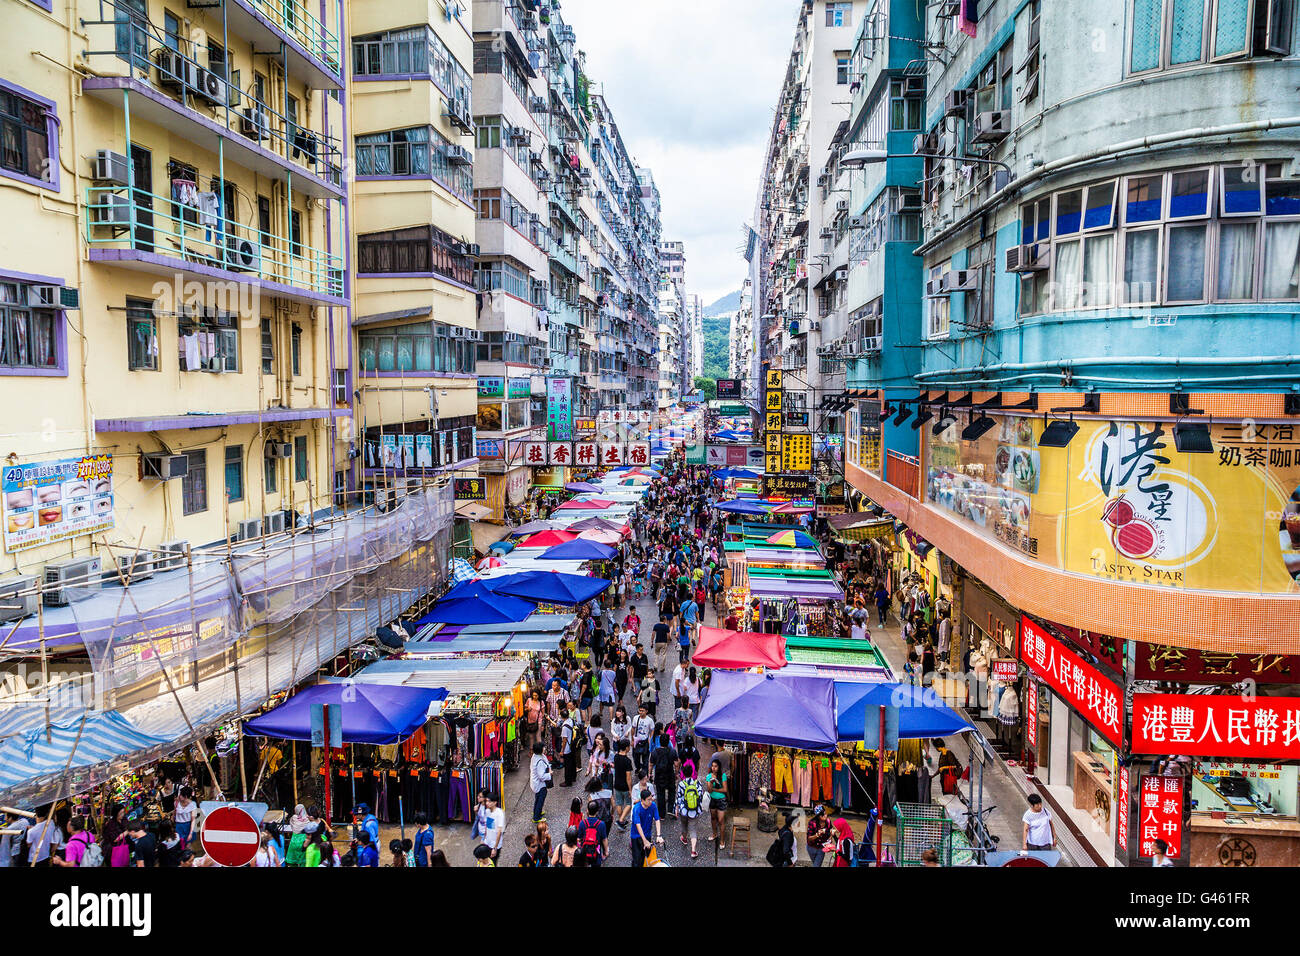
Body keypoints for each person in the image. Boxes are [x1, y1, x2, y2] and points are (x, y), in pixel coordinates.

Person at [675, 760, 703, 859]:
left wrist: (676, 809)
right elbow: (700, 796)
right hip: (694, 810)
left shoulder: (681, 784)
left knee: (684, 825)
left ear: (683, 773)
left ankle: (684, 838)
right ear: (692, 773)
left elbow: (678, 797)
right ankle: (693, 851)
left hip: (684, 810)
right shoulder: (697, 783)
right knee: (693, 829)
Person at [630, 789, 663, 867]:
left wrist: (658, 835)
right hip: (636, 836)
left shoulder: (653, 806)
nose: (650, 801)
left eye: (651, 799)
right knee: (637, 859)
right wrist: (644, 841)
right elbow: (638, 825)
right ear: (642, 800)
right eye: (648, 800)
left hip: (647, 834)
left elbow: (657, 820)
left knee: (646, 856)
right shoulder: (637, 808)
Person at [650, 731, 679, 813]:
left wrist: (650, 773)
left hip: (659, 775)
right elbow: (676, 764)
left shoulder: (655, 752)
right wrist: (676, 774)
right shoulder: (672, 751)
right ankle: (670, 809)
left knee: (660, 793)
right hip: (670, 774)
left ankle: (661, 813)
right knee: (672, 792)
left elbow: (651, 764)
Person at [705, 758, 728, 849]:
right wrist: (711, 782)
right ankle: (714, 834)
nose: (714, 768)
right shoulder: (708, 776)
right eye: (712, 766)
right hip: (712, 800)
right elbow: (709, 790)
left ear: (719, 767)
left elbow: (725, 790)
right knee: (713, 818)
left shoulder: (723, 776)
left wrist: (715, 789)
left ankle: (722, 840)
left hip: (721, 800)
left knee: (721, 820)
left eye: (716, 766)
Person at [612, 739, 635, 828]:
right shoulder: (627, 761)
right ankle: (621, 820)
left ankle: (621, 820)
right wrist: (630, 789)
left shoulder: (616, 757)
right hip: (625, 786)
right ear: (626, 748)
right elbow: (628, 777)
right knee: (629, 804)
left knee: (619, 803)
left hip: (617, 784)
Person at [577, 801, 608, 866]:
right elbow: (604, 840)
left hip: (584, 851)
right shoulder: (601, 824)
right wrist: (606, 851)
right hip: (596, 851)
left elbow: (579, 839)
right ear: (597, 812)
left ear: (587, 810)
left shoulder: (582, 823)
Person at [479, 792, 506, 862]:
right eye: (486, 801)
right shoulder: (487, 811)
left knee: (493, 862)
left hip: (495, 844)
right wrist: (484, 839)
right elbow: (486, 827)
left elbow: (499, 832)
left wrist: (495, 848)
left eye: (489, 801)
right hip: (487, 842)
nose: (487, 803)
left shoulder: (499, 813)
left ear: (495, 802)